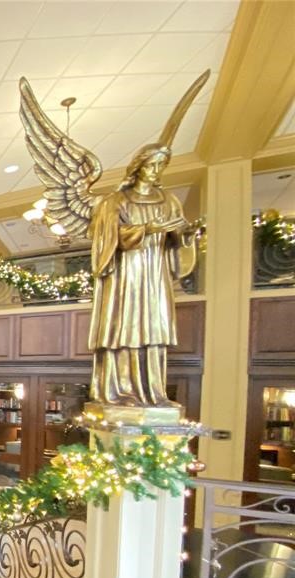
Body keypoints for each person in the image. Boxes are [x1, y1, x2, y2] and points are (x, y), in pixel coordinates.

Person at [87, 144, 195, 407]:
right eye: (151, 165)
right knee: (122, 328)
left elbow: (179, 238)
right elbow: (105, 239)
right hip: (127, 276)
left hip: (153, 274)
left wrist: (184, 234)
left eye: (161, 165)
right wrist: (146, 228)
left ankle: (154, 393)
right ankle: (119, 389)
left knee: (153, 328)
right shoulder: (116, 201)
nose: (155, 171)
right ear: (138, 166)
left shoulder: (169, 200)